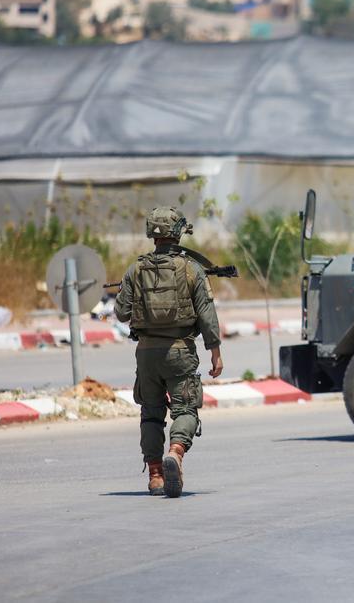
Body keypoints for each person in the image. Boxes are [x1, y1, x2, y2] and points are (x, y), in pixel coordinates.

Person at [114, 207, 223, 498]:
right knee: (185, 409)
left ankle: (155, 476)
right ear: (178, 233)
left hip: (147, 354)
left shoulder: (136, 269)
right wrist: (215, 352)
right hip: (180, 352)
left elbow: (121, 313)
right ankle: (175, 452)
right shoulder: (192, 269)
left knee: (150, 414)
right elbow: (207, 315)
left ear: (153, 234)